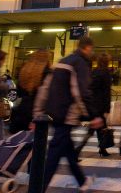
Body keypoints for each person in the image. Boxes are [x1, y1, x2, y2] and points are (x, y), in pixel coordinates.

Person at [34, 37, 103, 192]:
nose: (91, 52)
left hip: (53, 110)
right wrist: (93, 115)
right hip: (67, 112)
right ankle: (39, 187)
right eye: (91, 49)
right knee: (55, 152)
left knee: (68, 150)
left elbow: (45, 88)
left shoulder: (62, 61)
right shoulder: (80, 63)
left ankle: (82, 181)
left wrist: (38, 110)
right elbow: (82, 91)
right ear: (87, 48)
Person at [76, 53, 114, 157]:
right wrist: (108, 109)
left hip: (93, 105)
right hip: (101, 105)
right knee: (96, 128)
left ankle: (102, 149)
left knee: (97, 128)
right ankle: (78, 150)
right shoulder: (106, 73)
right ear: (107, 62)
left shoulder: (94, 72)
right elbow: (107, 93)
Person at [9, 49, 51, 134]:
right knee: (37, 143)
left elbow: (15, 93)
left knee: (20, 141)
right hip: (36, 113)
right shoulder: (46, 73)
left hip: (20, 111)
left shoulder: (23, 71)